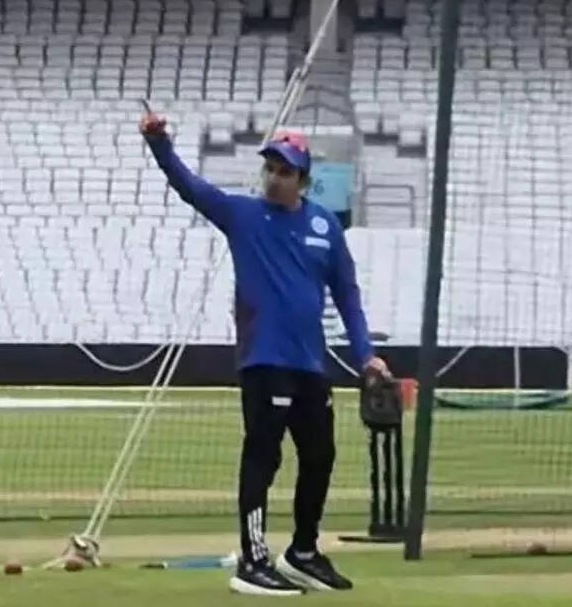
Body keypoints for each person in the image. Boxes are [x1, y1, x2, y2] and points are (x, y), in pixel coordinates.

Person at [140, 112, 390, 596]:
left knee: (320, 456)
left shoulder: (324, 226)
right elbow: (189, 186)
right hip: (264, 360)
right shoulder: (243, 215)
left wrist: (367, 356)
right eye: (270, 169)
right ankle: (252, 560)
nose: (275, 178)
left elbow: (347, 293)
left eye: (285, 171)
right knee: (263, 456)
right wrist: (159, 143)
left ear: (303, 179)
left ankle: (302, 553)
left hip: (309, 363)